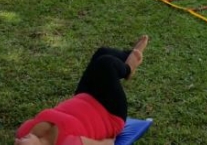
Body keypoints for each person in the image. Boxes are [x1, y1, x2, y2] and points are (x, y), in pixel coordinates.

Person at [15, 36, 149, 145]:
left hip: (83, 97)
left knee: (101, 53)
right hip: (109, 113)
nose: (17, 142)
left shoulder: (24, 132)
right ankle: (129, 69)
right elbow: (106, 144)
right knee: (105, 64)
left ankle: (129, 55)